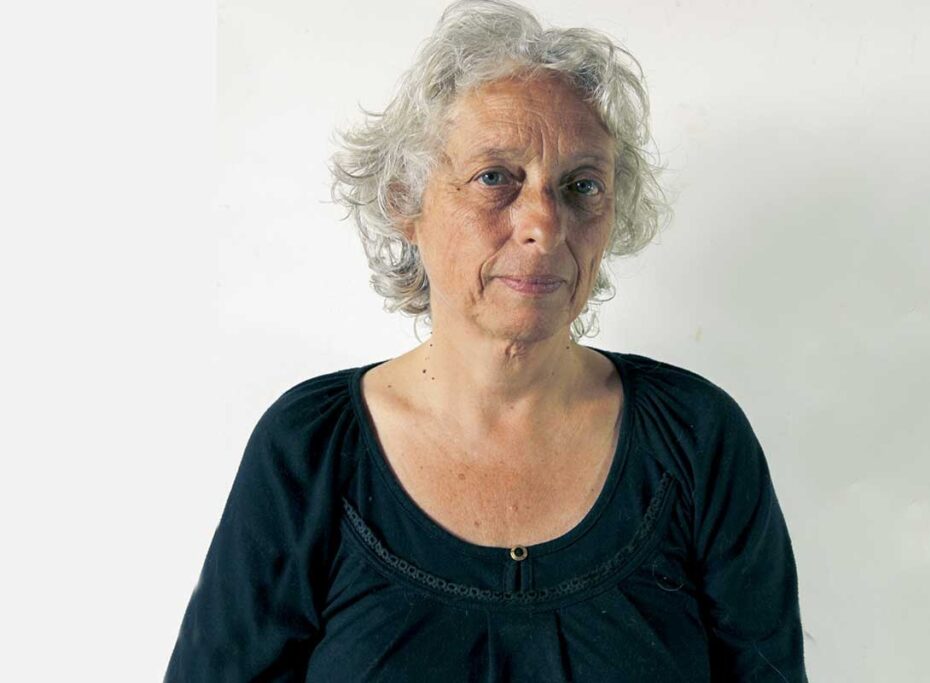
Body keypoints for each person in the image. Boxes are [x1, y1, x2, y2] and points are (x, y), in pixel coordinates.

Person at [165, 1, 807, 680]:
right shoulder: (310, 450)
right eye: (495, 177)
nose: (544, 225)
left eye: (581, 186)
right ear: (405, 201)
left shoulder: (697, 439)